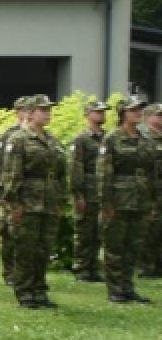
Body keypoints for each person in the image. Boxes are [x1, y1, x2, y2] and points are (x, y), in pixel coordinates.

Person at [0, 94, 68, 308]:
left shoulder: (52, 140)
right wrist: (14, 204)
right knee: (26, 249)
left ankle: (39, 290)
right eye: (42, 110)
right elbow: (12, 174)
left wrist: (61, 200)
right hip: (27, 202)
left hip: (48, 201)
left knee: (43, 248)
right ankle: (25, 292)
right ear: (29, 113)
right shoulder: (18, 139)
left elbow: (61, 174)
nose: (47, 114)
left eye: (48, 110)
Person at [96, 95, 154, 303]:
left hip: (141, 199)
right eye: (133, 110)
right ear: (123, 114)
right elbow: (104, 172)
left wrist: (153, 200)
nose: (138, 113)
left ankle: (128, 287)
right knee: (115, 246)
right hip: (119, 199)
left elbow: (153, 172)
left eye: (140, 110)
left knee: (134, 245)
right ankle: (115, 289)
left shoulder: (146, 138)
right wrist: (106, 202)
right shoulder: (112, 138)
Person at [0, 96, 31, 284]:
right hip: (9, 193)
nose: (26, 114)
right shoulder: (8, 136)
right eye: (24, 110)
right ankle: (9, 272)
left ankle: (24, 272)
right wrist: (0, 193)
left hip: (30, 194)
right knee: (9, 233)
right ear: (17, 112)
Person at [68, 99, 108, 281]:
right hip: (87, 189)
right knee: (85, 230)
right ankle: (82, 268)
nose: (102, 115)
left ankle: (93, 267)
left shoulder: (107, 138)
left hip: (102, 190)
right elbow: (76, 166)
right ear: (88, 115)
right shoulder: (81, 139)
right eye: (98, 112)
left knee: (98, 231)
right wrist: (78, 194)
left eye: (103, 112)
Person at [141, 103, 162, 278]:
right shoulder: (145, 138)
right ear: (148, 117)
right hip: (151, 188)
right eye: (159, 115)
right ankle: (147, 267)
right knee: (150, 229)